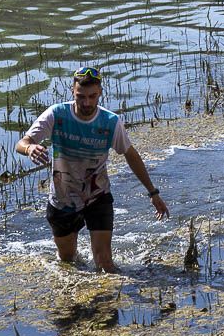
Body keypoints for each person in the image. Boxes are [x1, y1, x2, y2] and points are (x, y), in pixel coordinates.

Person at [15, 67, 169, 273]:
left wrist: (153, 192)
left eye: (92, 96)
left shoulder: (110, 122)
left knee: (105, 264)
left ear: (100, 93)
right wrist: (30, 147)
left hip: (98, 196)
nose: (86, 103)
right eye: (81, 97)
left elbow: (130, 155)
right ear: (72, 92)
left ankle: (108, 301)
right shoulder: (56, 114)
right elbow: (21, 143)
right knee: (68, 262)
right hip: (63, 200)